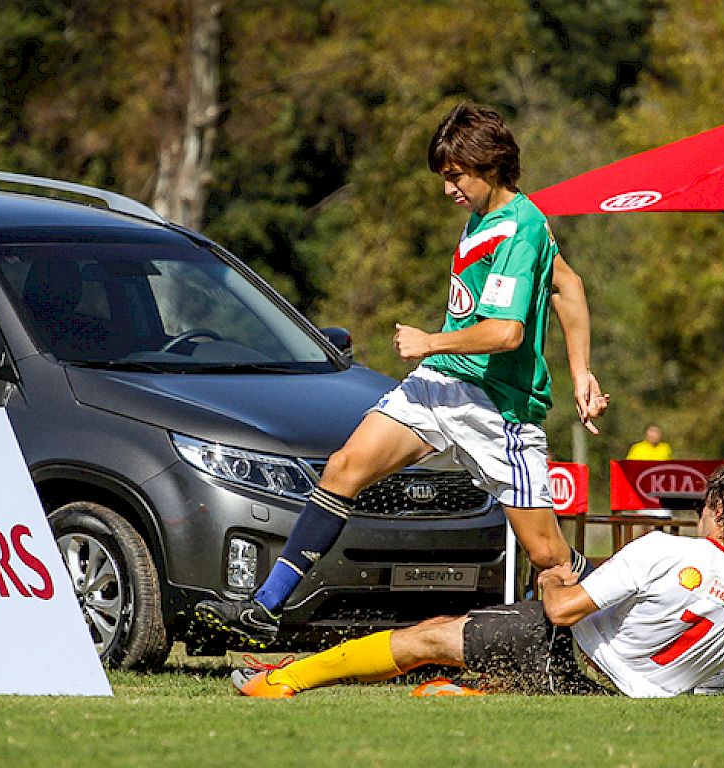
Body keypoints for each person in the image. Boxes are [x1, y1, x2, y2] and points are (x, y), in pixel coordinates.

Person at [194, 102, 609, 647]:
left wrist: (429, 341)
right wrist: (582, 372)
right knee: (344, 468)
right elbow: (567, 285)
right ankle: (264, 609)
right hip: (440, 385)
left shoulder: (521, 229)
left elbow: (506, 332)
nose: (448, 190)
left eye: (455, 177)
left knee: (550, 559)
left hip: (496, 410)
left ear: (487, 164)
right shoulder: (487, 217)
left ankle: (638, 622)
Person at [231, 464, 724, 698]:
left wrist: (551, 577)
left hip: (566, 648)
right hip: (614, 696)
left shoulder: (663, 548)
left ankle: (283, 682)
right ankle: (459, 696)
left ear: (720, 515)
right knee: (487, 672)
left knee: (431, 635)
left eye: (706, 505)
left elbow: (563, 612)